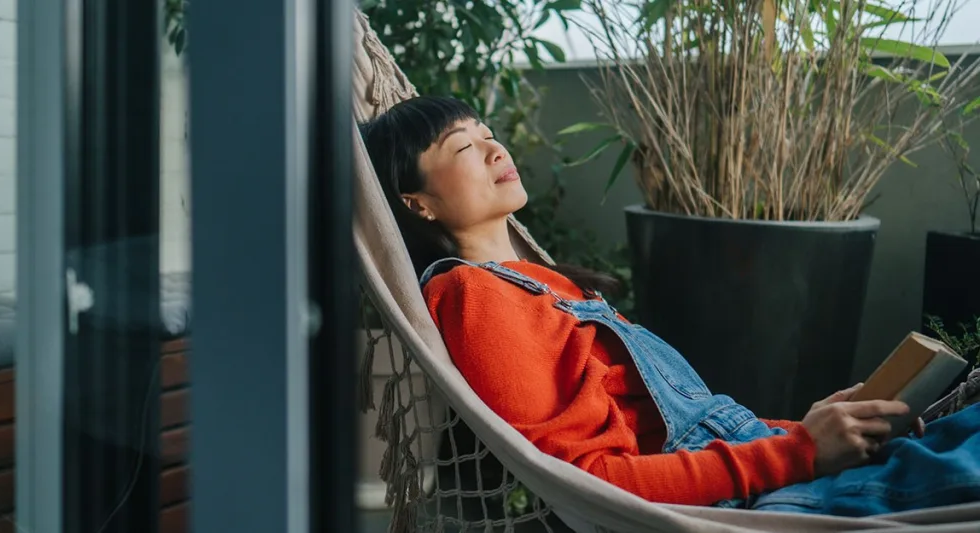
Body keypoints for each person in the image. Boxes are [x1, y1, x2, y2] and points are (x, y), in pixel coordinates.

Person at [358, 95, 980, 516]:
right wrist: (800, 451)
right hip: (733, 507)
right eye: (463, 148)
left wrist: (810, 426)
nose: (496, 150)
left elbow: (680, 424)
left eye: (490, 135)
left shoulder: (548, 286)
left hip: (760, 463)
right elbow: (588, 478)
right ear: (417, 203)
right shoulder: (475, 296)